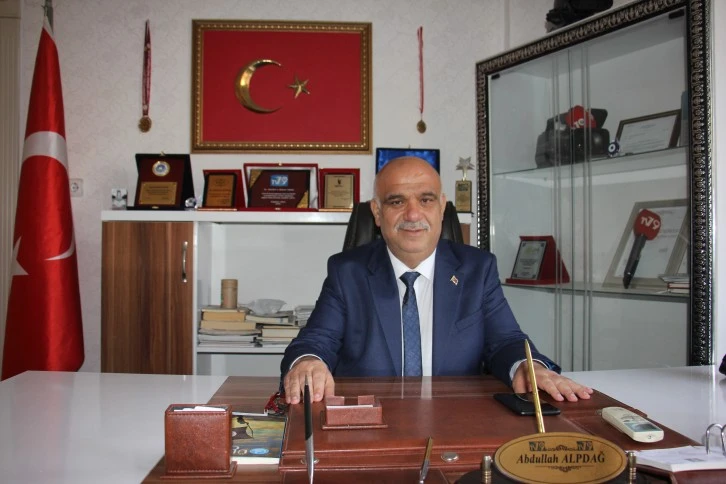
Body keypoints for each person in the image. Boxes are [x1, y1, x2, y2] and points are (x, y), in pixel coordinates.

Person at [281, 156, 592, 405]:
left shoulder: (477, 269)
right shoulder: (347, 271)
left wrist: (528, 367)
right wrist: (309, 362)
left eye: (426, 200)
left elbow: (506, 342)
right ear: (376, 212)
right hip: (369, 421)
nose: (413, 214)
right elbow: (316, 341)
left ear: (442, 207)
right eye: (396, 201)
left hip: (453, 419)